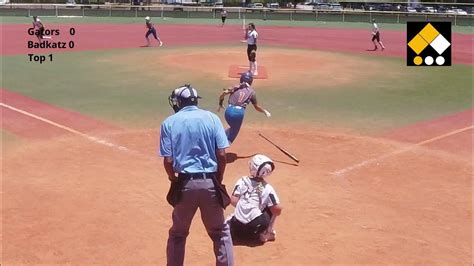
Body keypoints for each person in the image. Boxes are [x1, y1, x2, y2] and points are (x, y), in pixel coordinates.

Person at [160, 84, 234, 266]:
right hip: (210, 182)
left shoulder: (169, 122)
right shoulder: (212, 118)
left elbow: (168, 161)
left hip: (185, 184)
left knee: (178, 234)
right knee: (220, 233)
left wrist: (173, 180)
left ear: (178, 102)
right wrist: (218, 178)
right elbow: (222, 155)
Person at [227, 154, 282, 244]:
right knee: (272, 206)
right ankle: (266, 233)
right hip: (255, 228)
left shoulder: (242, 181)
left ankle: (234, 230)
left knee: (238, 212)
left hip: (237, 227)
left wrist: (244, 206)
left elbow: (233, 201)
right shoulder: (268, 188)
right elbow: (277, 210)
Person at [217, 71, 271, 144]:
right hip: (238, 114)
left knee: (232, 128)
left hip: (228, 111)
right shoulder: (252, 92)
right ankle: (218, 149)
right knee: (231, 138)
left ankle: (218, 139)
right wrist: (264, 111)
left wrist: (220, 103)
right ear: (251, 81)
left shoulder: (235, 87)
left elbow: (223, 94)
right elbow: (256, 107)